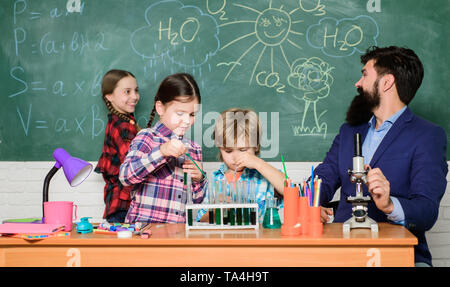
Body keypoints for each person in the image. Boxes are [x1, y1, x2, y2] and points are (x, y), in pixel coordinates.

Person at [314, 46, 448, 266]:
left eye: (365, 74)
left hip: (397, 255)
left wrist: (389, 205)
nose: (358, 83)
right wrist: (310, 204)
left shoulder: (427, 136)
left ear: (386, 82)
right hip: (342, 251)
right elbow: (323, 178)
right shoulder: (349, 131)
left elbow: (427, 211)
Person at [119, 73, 206, 223]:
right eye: (180, 113)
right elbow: (126, 177)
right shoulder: (147, 137)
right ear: (160, 108)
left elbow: (198, 202)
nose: (187, 120)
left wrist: (199, 178)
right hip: (144, 234)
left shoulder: (194, 148)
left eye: (192, 114)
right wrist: (161, 152)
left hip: (177, 235)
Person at [196, 108, 286, 223]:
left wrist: (258, 163)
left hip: (259, 239)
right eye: (228, 151)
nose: (235, 157)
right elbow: (201, 220)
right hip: (226, 240)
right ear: (220, 148)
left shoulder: (265, 176)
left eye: (243, 149)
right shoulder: (216, 179)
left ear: (256, 146)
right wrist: (215, 209)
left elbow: (290, 190)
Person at [95, 69, 141, 223]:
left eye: (136, 91)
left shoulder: (121, 121)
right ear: (109, 96)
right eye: (127, 92)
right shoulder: (122, 127)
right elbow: (134, 166)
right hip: (124, 206)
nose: (134, 96)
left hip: (118, 205)